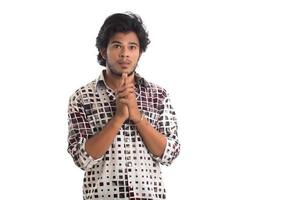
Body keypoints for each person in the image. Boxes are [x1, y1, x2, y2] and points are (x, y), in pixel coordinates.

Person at [67, 12, 180, 200]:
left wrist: (137, 116)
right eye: (117, 45)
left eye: (132, 47)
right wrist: (118, 118)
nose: (125, 54)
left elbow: (170, 153)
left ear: (140, 52)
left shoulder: (158, 95)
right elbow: (82, 158)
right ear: (104, 51)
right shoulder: (82, 98)